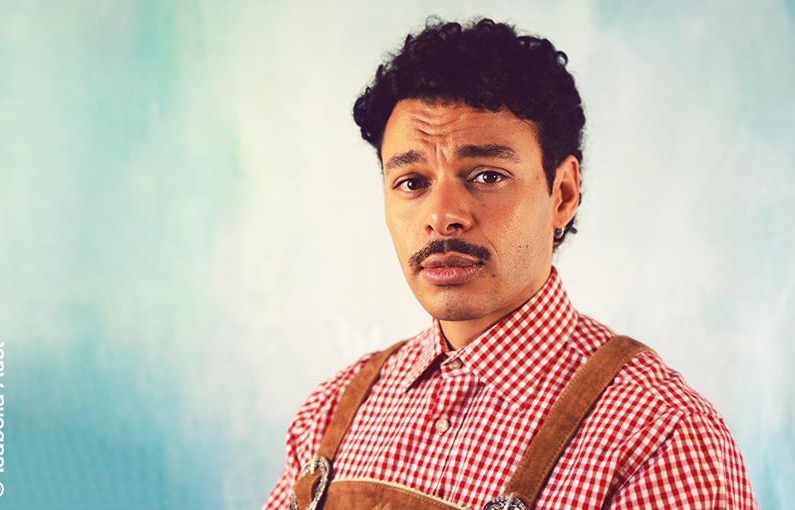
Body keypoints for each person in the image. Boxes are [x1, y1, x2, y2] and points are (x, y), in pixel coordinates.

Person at [262, 18, 757, 510]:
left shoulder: (661, 439)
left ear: (563, 194)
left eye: (487, 175)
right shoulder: (329, 414)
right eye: (412, 182)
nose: (441, 216)